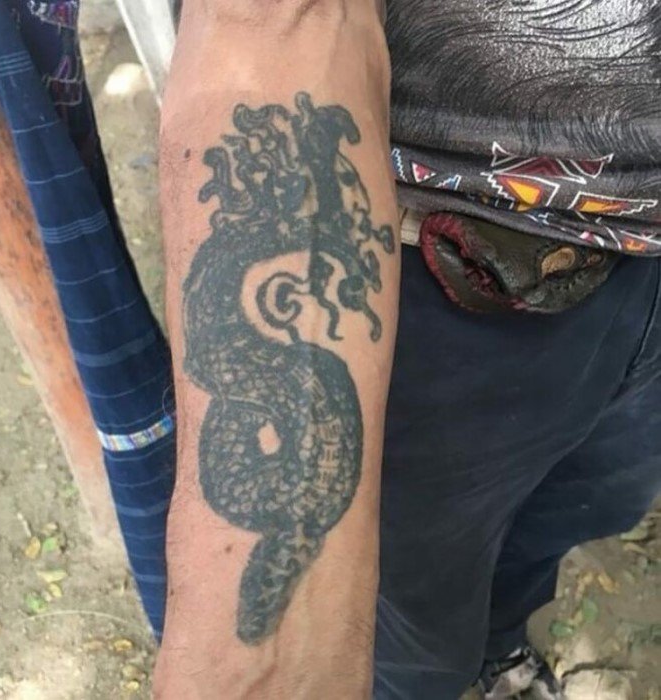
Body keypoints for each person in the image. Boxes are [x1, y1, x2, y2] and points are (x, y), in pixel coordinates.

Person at [155, 2, 660, 698]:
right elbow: (273, 22)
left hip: (639, 274)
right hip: (432, 274)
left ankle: (500, 645)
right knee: (414, 625)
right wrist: (263, 658)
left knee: (583, 509)